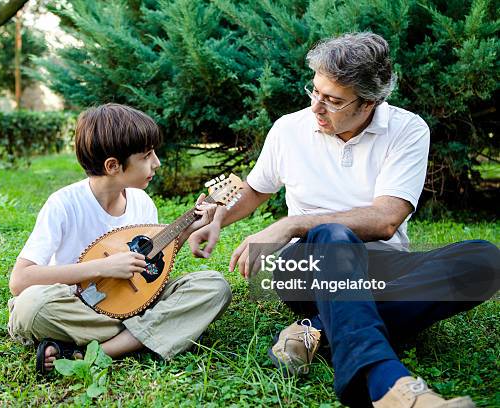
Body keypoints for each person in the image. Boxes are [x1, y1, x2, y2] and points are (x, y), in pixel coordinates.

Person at [188, 32, 499, 407]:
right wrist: (221, 218)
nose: (316, 108)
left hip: (381, 265)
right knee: (333, 236)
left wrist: (291, 223)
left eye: (333, 101)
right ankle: (388, 385)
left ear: (369, 103)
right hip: (304, 267)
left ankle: (315, 329)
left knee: (484, 259)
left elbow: (387, 218)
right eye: (314, 92)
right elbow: (256, 189)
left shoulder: (408, 130)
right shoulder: (289, 129)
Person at [8, 103, 232, 374]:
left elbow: (150, 267)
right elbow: (20, 280)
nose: (156, 163)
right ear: (113, 166)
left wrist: (189, 227)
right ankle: (144, 333)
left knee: (214, 286)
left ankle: (90, 352)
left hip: (133, 301)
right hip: (79, 303)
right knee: (31, 307)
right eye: (147, 155)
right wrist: (103, 267)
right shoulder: (64, 204)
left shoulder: (141, 201)